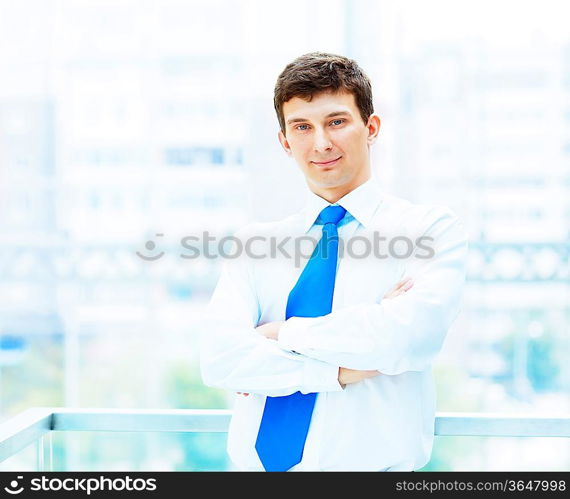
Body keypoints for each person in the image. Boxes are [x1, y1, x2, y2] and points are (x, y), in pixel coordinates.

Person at [200, 52, 468, 471]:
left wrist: (280, 334)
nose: (321, 143)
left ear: (371, 128)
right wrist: (341, 369)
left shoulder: (427, 229)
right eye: (302, 127)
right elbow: (220, 358)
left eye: (336, 122)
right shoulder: (255, 243)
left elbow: (409, 337)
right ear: (285, 142)